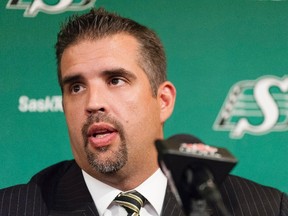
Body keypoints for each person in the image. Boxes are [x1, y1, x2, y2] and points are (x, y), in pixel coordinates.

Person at [0, 7, 287, 216]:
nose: (92, 102)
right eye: (76, 87)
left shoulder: (263, 207)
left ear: (163, 100)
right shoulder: (14, 208)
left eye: (115, 80)